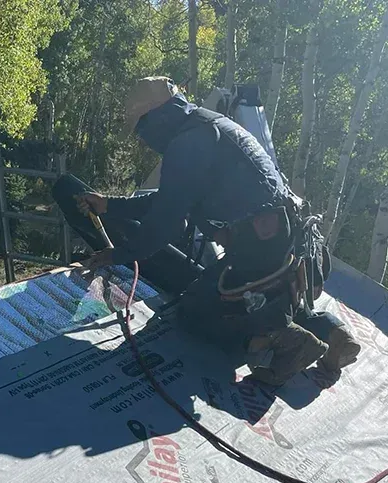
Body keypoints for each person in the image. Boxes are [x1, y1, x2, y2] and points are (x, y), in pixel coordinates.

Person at [52, 76, 360, 386]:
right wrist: (111, 205)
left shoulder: (187, 145)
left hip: (256, 253)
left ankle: (278, 341)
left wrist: (117, 255)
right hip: (286, 243)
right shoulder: (210, 126)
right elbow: (173, 198)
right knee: (272, 298)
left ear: (158, 117)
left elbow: (164, 224)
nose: (143, 140)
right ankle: (336, 336)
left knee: (195, 313)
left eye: (142, 129)